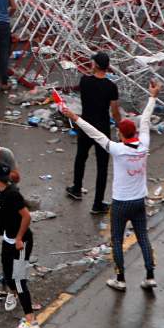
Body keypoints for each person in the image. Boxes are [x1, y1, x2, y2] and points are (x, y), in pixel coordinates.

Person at [59, 80, 161, 291]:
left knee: (116, 240)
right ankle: (150, 275)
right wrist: (152, 96)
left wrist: (73, 117)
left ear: (121, 134)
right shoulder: (143, 144)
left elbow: (94, 133)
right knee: (143, 237)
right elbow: (146, 119)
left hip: (121, 203)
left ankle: (120, 279)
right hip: (139, 200)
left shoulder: (116, 149)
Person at [66, 51, 122, 213]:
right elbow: (115, 111)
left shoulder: (85, 81)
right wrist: (120, 126)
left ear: (95, 65)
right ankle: (98, 203)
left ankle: (77, 188)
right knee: (102, 166)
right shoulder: (111, 87)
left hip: (85, 126)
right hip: (102, 129)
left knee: (81, 157)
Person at [0, 163, 38, 328]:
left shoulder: (13, 194)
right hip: (8, 239)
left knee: (19, 279)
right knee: (8, 274)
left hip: (20, 243)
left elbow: (26, 217)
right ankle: (13, 294)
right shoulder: (0, 192)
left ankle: (31, 320)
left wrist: (19, 238)